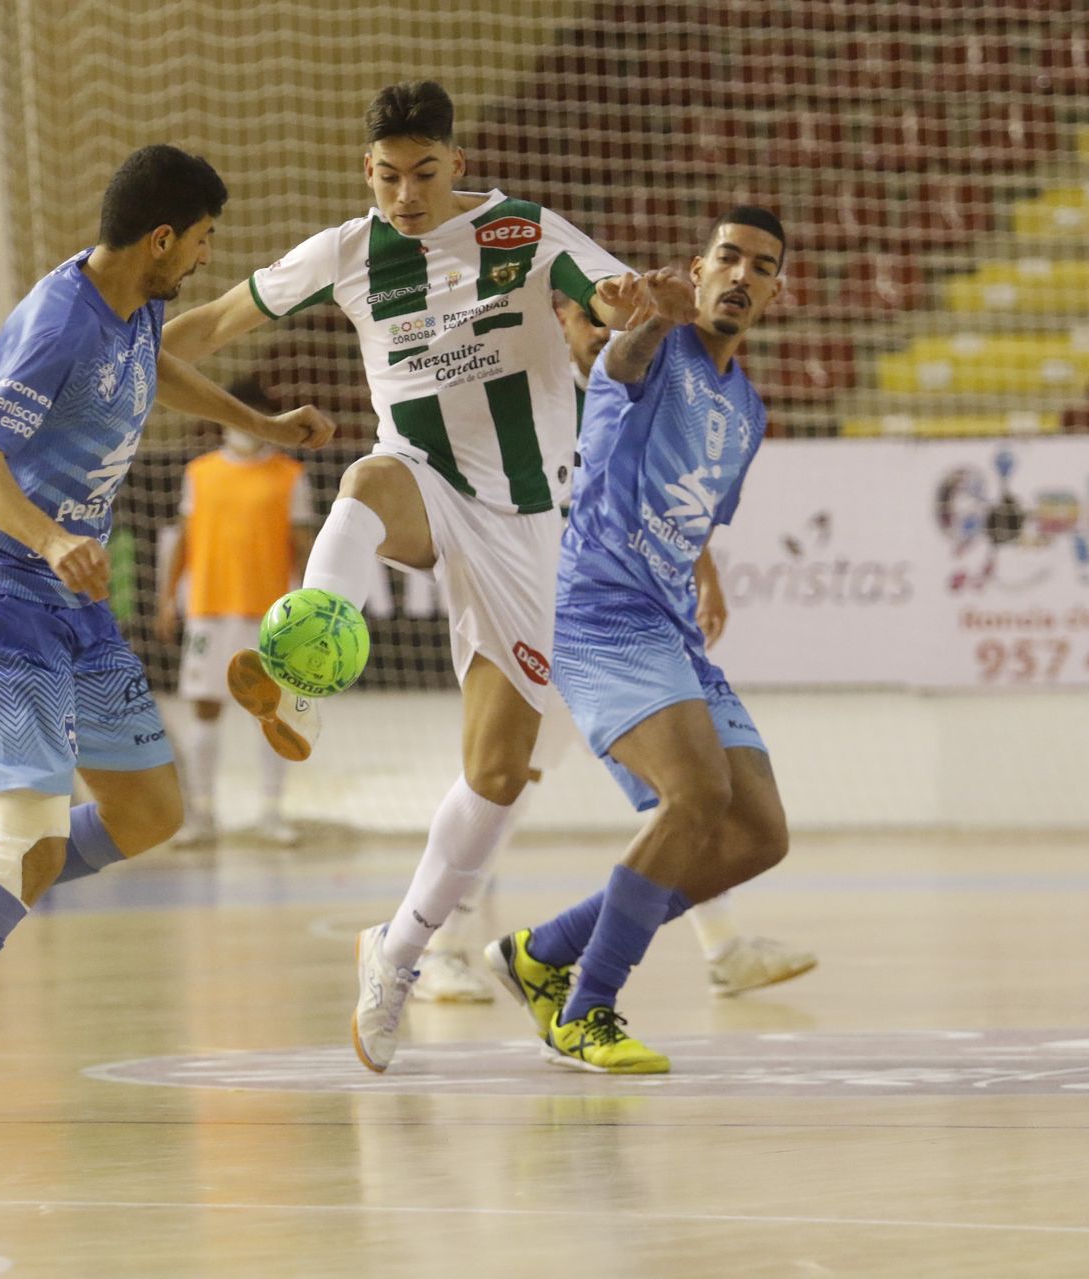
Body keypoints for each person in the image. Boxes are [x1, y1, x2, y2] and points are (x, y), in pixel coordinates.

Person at [0, 144, 334, 1118]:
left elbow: (161, 372)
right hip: (0, 597)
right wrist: (54, 536)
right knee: (31, 846)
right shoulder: (57, 325)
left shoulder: (133, 308)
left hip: (76, 607)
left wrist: (259, 425)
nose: (200, 259)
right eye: (199, 243)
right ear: (160, 238)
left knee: (151, 812)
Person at [163, 81, 652, 1073]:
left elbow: (608, 293)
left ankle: (397, 954)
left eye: (422, 174)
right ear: (367, 172)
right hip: (425, 486)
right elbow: (205, 325)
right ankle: (302, 686)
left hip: (527, 525)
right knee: (368, 474)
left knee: (497, 775)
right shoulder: (345, 251)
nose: (404, 197)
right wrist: (109, 345)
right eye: (386, 177)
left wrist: (630, 302)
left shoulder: (523, 230)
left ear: (455, 166)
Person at [416, 294, 815, 1003]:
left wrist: (706, 572)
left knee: (684, 789)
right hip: (545, 618)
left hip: (615, 621)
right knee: (504, 785)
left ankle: (721, 946)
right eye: (586, 318)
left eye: (611, 320)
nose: (603, 331)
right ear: (555, 319)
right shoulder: (524, 401)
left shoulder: (644, 385)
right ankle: (438, 944)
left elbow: (672, 496)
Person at [486, 207, 796, 1074]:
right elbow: (614, 363)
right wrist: (647, 317)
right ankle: (588, 1006)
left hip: (671, 623)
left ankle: (542, 949)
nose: (741, 275)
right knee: (694, 797)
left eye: (761, 266)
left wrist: (704, 570)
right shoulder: (654, 346)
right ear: (697, 270)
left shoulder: (750, 411)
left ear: (776, 290)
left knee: (759, 834)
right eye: (728, 258)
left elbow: (692, 503)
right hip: (597, 610)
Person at [156, 376, 316, 847]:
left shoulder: (290, 475)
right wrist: (167, 599)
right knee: (205, 709)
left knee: (273, 714)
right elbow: (183, 539)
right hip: (208, 608)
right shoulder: (200, 472)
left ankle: (271, 812)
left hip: (270, 614)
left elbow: (303, 546)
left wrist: (308, 606)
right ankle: (202, 815)